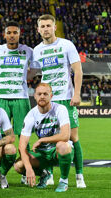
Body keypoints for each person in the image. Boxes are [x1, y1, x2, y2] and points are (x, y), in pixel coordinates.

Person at [32, 14, 85, 188]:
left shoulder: (66, 45)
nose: (46, 29)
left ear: (55, 27)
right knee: (48, 138)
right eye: (43, 26)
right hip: (47, 102)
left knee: (73, 138)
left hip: (66, 99)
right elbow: (34, 73)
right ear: (38, 29)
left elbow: (77, 70)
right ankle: (50, 175)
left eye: (49, 25)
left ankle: (79, 176)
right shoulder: (37, 50)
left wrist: (76, 94)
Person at [14, 83, 74, 192]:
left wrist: (42, 139)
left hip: (58, 151)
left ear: (51, 96)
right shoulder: (31, 115)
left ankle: (64, 181)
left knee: (63, 146)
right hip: (42, 153)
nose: (42, 96)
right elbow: (22, 147)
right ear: (35, 96)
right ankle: (44, 174)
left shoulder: (60, 109)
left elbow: (66, 136)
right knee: (18, 165)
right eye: (39, 94)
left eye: (45, 94)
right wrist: (28, 169)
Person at [0, 21, 33, 184]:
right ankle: (0, 173)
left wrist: (23, 78)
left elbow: (35, 70)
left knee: (25, 135)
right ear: (4, 35)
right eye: (9, 32)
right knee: (0, 136)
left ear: (19, 34)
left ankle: (25, 172)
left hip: (21, 98)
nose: (12, 35)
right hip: (1, 98)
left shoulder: (28, 51)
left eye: (15, 32)